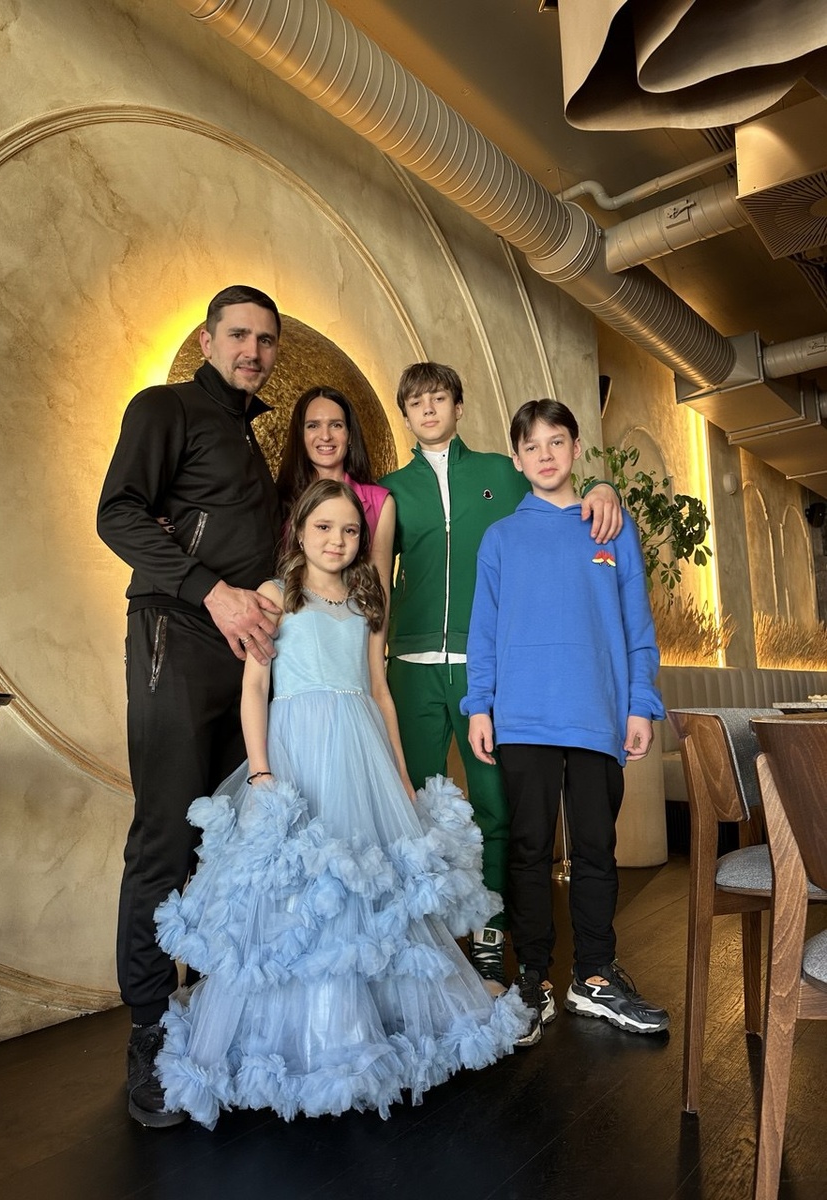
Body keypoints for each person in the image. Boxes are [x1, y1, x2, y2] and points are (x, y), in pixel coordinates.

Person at [152, 479, 532, 1127]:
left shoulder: (365, 600)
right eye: (324, 527)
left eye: (351, 530)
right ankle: (305, 1036)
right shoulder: (276, 595)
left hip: (360, 754)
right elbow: (255, 689)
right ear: (299, 531)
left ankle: (367, 1026)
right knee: (300, 891)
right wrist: (262, 769)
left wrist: (401, 773)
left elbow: (379, 690)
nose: (338, 540)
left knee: (367, 888)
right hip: (297, 753)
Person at [97, 284, 285, 1127]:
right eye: (239, 334)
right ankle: (149, 1028)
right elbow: (117, 514)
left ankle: (208, 1019)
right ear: (208, 340)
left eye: (265, 340)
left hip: (241, 656)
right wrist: (211, 589)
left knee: (223, 845)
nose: (253, 351)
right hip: (175, 637)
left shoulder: (249, 436)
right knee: (165, 839)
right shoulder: (163, 407)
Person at [379, 363, 622, 997]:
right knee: (411, 808)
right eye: (416, 402)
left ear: (458, 406)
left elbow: (557, 497)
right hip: (409, 666)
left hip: (487, 671)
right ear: (405, 414)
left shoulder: (501, 471)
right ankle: (421, 944)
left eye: (439, 397)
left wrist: (603, 487)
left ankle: (492, 937)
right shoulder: (389, 490)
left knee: (498, 809)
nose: (428, 409)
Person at [462, 398, 669, 1047]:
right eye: (532, 446)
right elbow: (483, 630)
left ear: (576, 449)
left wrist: (640, 702)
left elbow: (636, 624)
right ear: (517, 459)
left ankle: (595, 976)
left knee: (596, 848)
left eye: (557, 441)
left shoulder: (610, 528)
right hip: (521, 716)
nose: (545, 455)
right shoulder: (500, 539)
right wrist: (478, 704)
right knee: (528, 850)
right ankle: (534, 980)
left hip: (596, 714)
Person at [275, 386, 396, 606]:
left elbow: (380, 590)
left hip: (353, 622)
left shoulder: (381, 502)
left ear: (350, 435)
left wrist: (377, 632)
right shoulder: (278, 498)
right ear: (300, 436)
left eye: (336, 425)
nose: (325, 436)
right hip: (290, 619)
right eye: (313, 425)